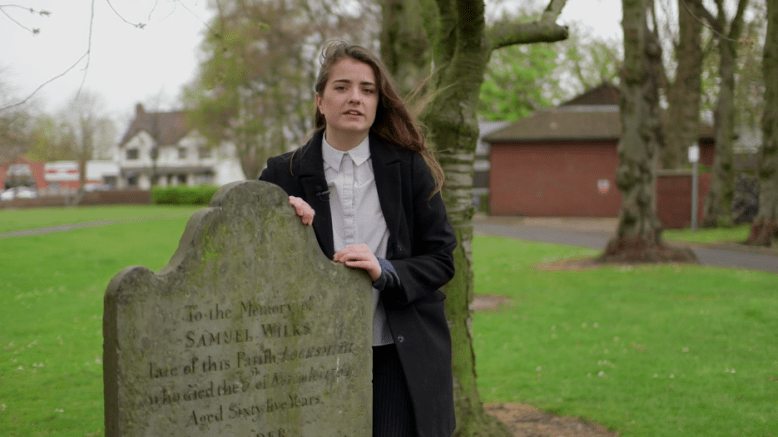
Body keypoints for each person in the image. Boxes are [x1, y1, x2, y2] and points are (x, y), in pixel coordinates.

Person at [259, 40, 457, 437]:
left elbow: (441, 259)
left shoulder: (409, 168)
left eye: (367, 90)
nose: (355, 98)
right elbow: (254, 269)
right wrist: (291, 235)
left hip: (396, 353)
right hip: (311, 356)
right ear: (319, 100)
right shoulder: (283, 174)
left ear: (378, 103)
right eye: (342, 87)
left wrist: (385, 270)